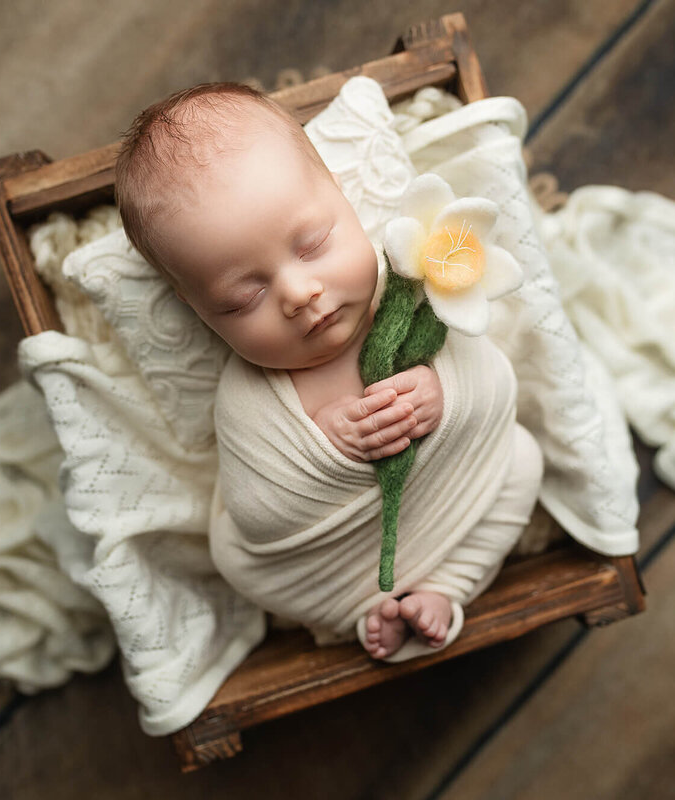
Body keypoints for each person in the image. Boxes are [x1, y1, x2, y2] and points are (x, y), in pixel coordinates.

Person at [115, 82, 542, 661]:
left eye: (312, 244)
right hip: (333, 559)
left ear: (341, 199)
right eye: (243, 298)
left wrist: (446, 393)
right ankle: (364, 612)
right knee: (237, 557)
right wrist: (331, 450)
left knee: (520, 461)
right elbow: (257, 512)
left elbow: (496, 383)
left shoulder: (411, 291)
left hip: (456, 496)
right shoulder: (249, 394)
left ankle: (449, 586)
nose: (298, 293)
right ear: (199, 312)